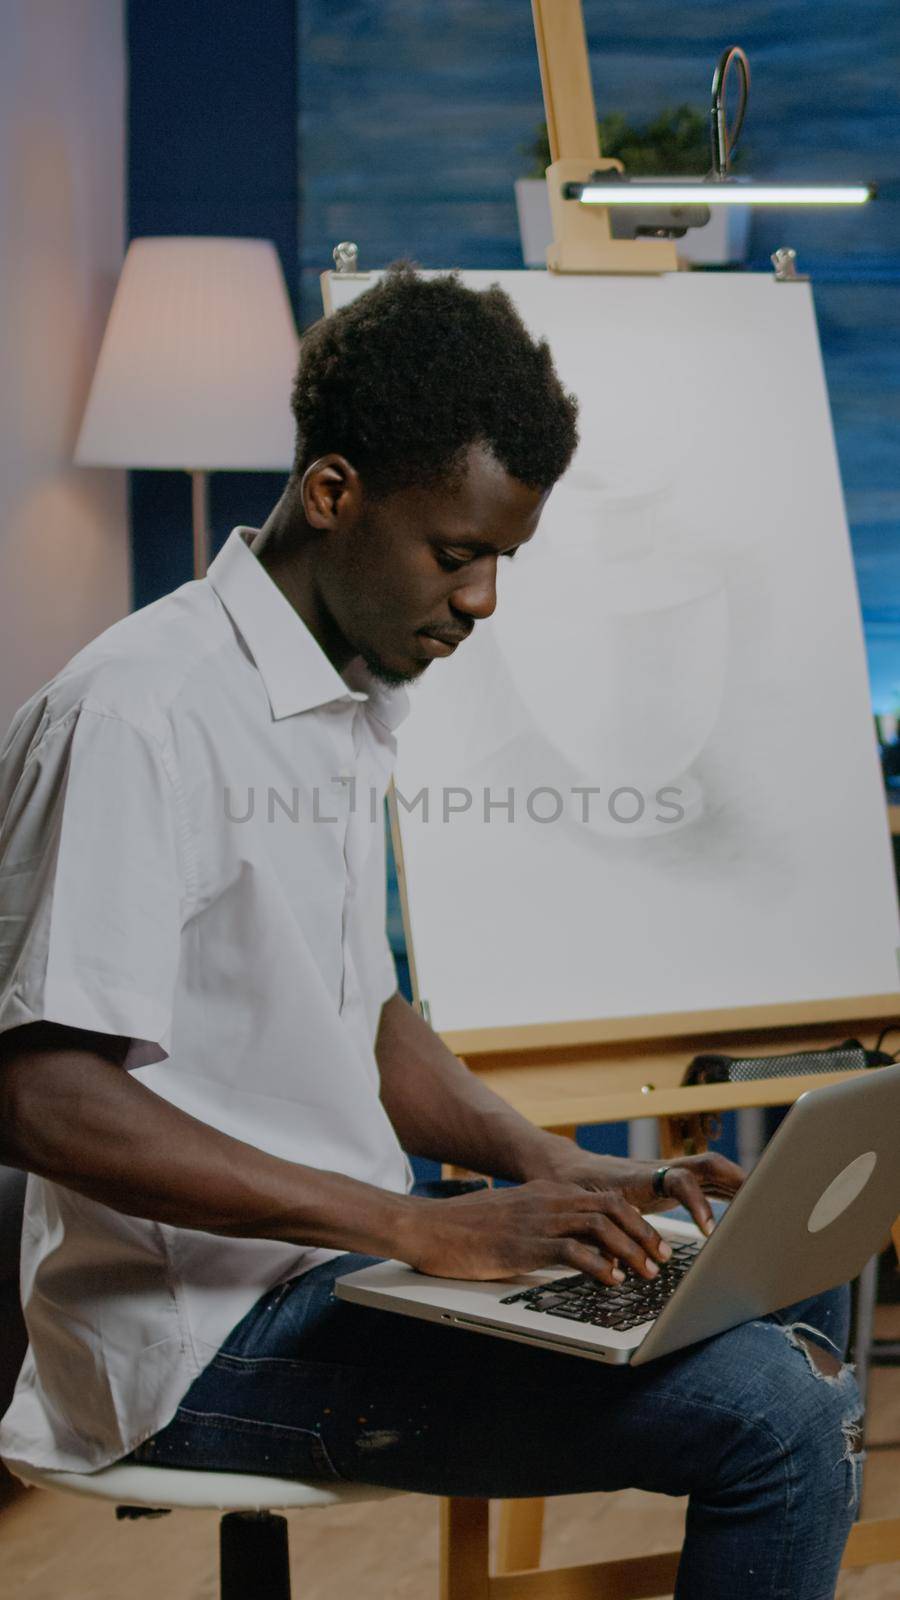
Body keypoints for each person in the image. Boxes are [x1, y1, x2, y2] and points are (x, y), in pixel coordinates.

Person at [0, 267, 860, 1597]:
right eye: (458, 554)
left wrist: (552, 1165)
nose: (482, 602)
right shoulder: (137, 714)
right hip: (198, 1340)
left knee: (754, 1289)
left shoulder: (343, 699)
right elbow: (45, 1097)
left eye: (501, 561)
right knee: (779, 1420)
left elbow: (367, 1022)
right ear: (334, 493)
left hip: (338, 1257)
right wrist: (423, 1232)